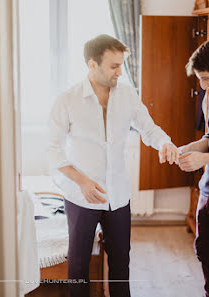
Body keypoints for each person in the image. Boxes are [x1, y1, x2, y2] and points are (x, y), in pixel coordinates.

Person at [48, 34, 179, 297]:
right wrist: (82, 181)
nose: (121, 71)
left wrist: (165, 143)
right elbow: (53, 151)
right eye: (114, 66)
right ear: (92, 65)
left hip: (118, 195)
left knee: (121, 263)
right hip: (80, 196)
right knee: (78, 265)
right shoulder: (67, 100)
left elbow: (149, 129)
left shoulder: (128, 94)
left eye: (121, 64)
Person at [178, 40, 209, 297]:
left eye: (207, 78)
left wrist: (204, 160)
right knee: (204, 252)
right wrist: (192, 147)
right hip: (207, 189)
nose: (204, 86)